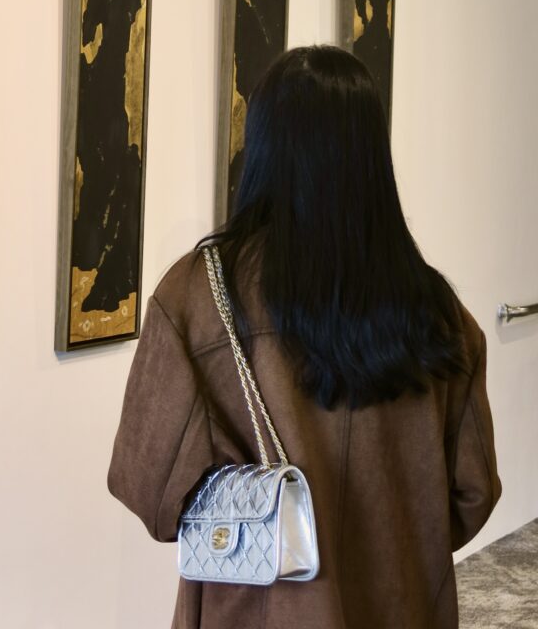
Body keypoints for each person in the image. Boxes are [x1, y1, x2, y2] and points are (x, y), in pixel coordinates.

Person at [108, 45, 500, 629]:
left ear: (264, 147)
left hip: (254, 612)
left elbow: (151, 491)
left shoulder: (199, 295)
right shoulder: (437, 310)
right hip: (401, 606)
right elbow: (473, 494)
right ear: (372, 155)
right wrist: (390, 538)